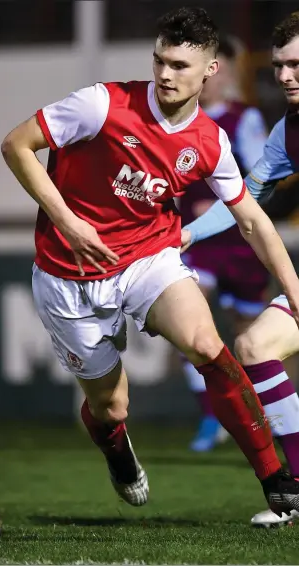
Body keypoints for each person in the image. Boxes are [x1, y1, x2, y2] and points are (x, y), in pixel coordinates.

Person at [1, 6, 299, 517]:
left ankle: (278, 482)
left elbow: (251, 219)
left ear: (210, 70)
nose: (165, 73)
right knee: (109, 407)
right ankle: (117, 449)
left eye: (180, 65)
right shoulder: (100, 105)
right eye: (160, 60)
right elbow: (16, 145)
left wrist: (294, 290)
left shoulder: (210, 141)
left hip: (147, 259)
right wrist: (69, 223)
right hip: (66, 275)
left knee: (211, 345)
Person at [182, 11, 299, 527]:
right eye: (280, 66)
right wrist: (182, 234)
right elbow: (246, 199)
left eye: (297, 64)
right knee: (252, 347)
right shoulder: (285, 133)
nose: (286, 76)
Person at [179, 37, 270, 452]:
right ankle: (209, 416)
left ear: (226, 72)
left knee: (251, 337)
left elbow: (263, 178)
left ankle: (266, 415)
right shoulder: (180, 121)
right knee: (185, 316)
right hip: (198, 242)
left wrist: (221, 203)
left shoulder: (244, 119)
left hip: (240, 242)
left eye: (215, 68)